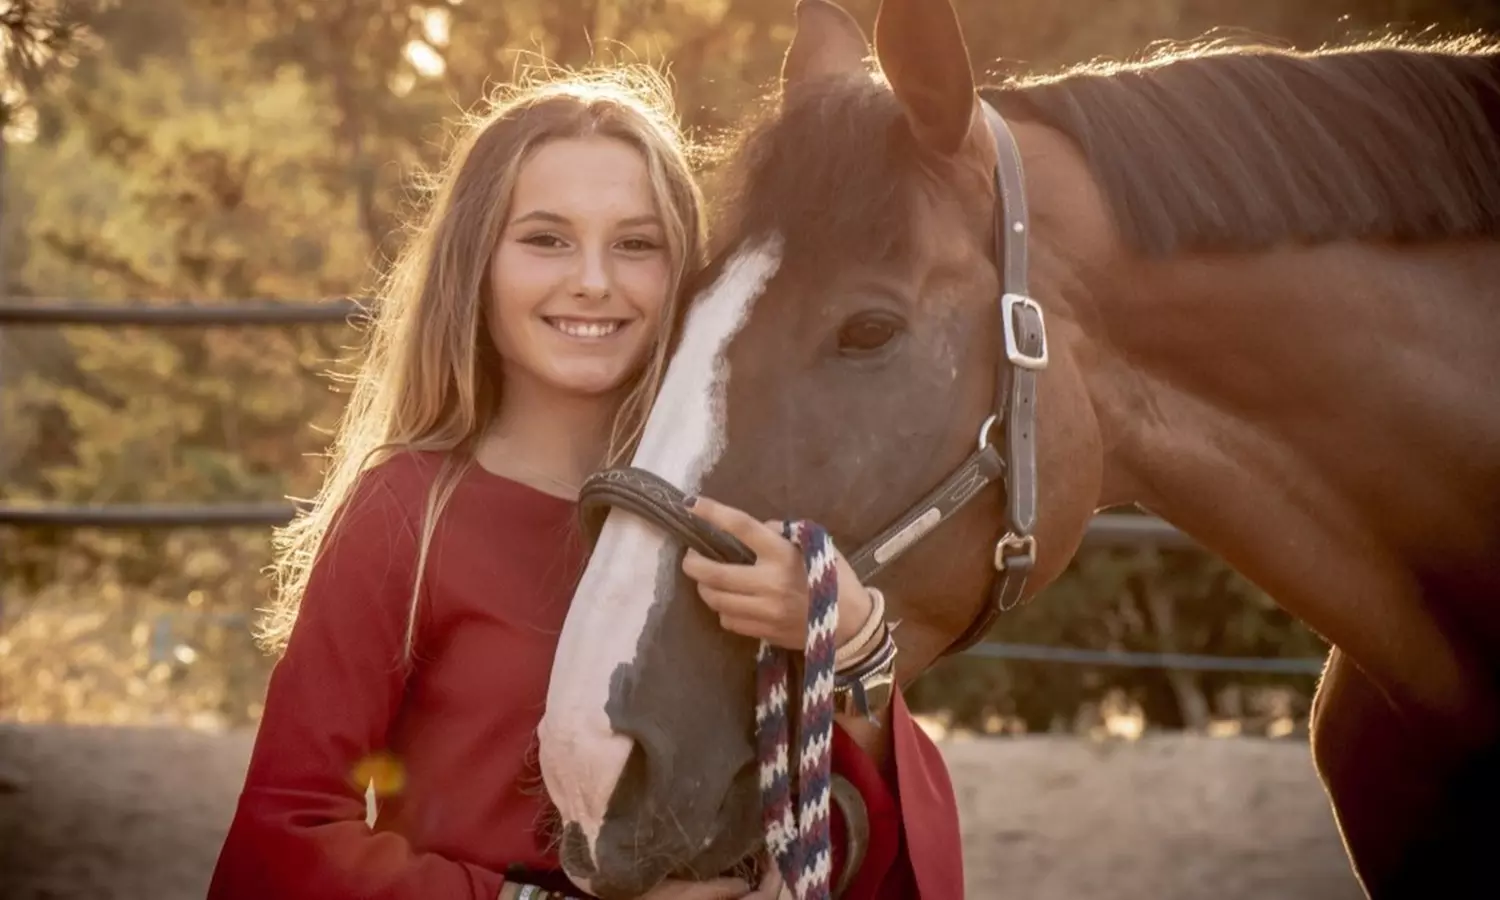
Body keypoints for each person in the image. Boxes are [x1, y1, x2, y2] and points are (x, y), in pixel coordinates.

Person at [207, 63, 961, 900]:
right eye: (546, 239)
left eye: (637, 244)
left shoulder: (745, 519)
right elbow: (281, 840)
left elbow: (859, 839)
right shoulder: (407, 516)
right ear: (477, 263)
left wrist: (847, 638)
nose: (594, 281)